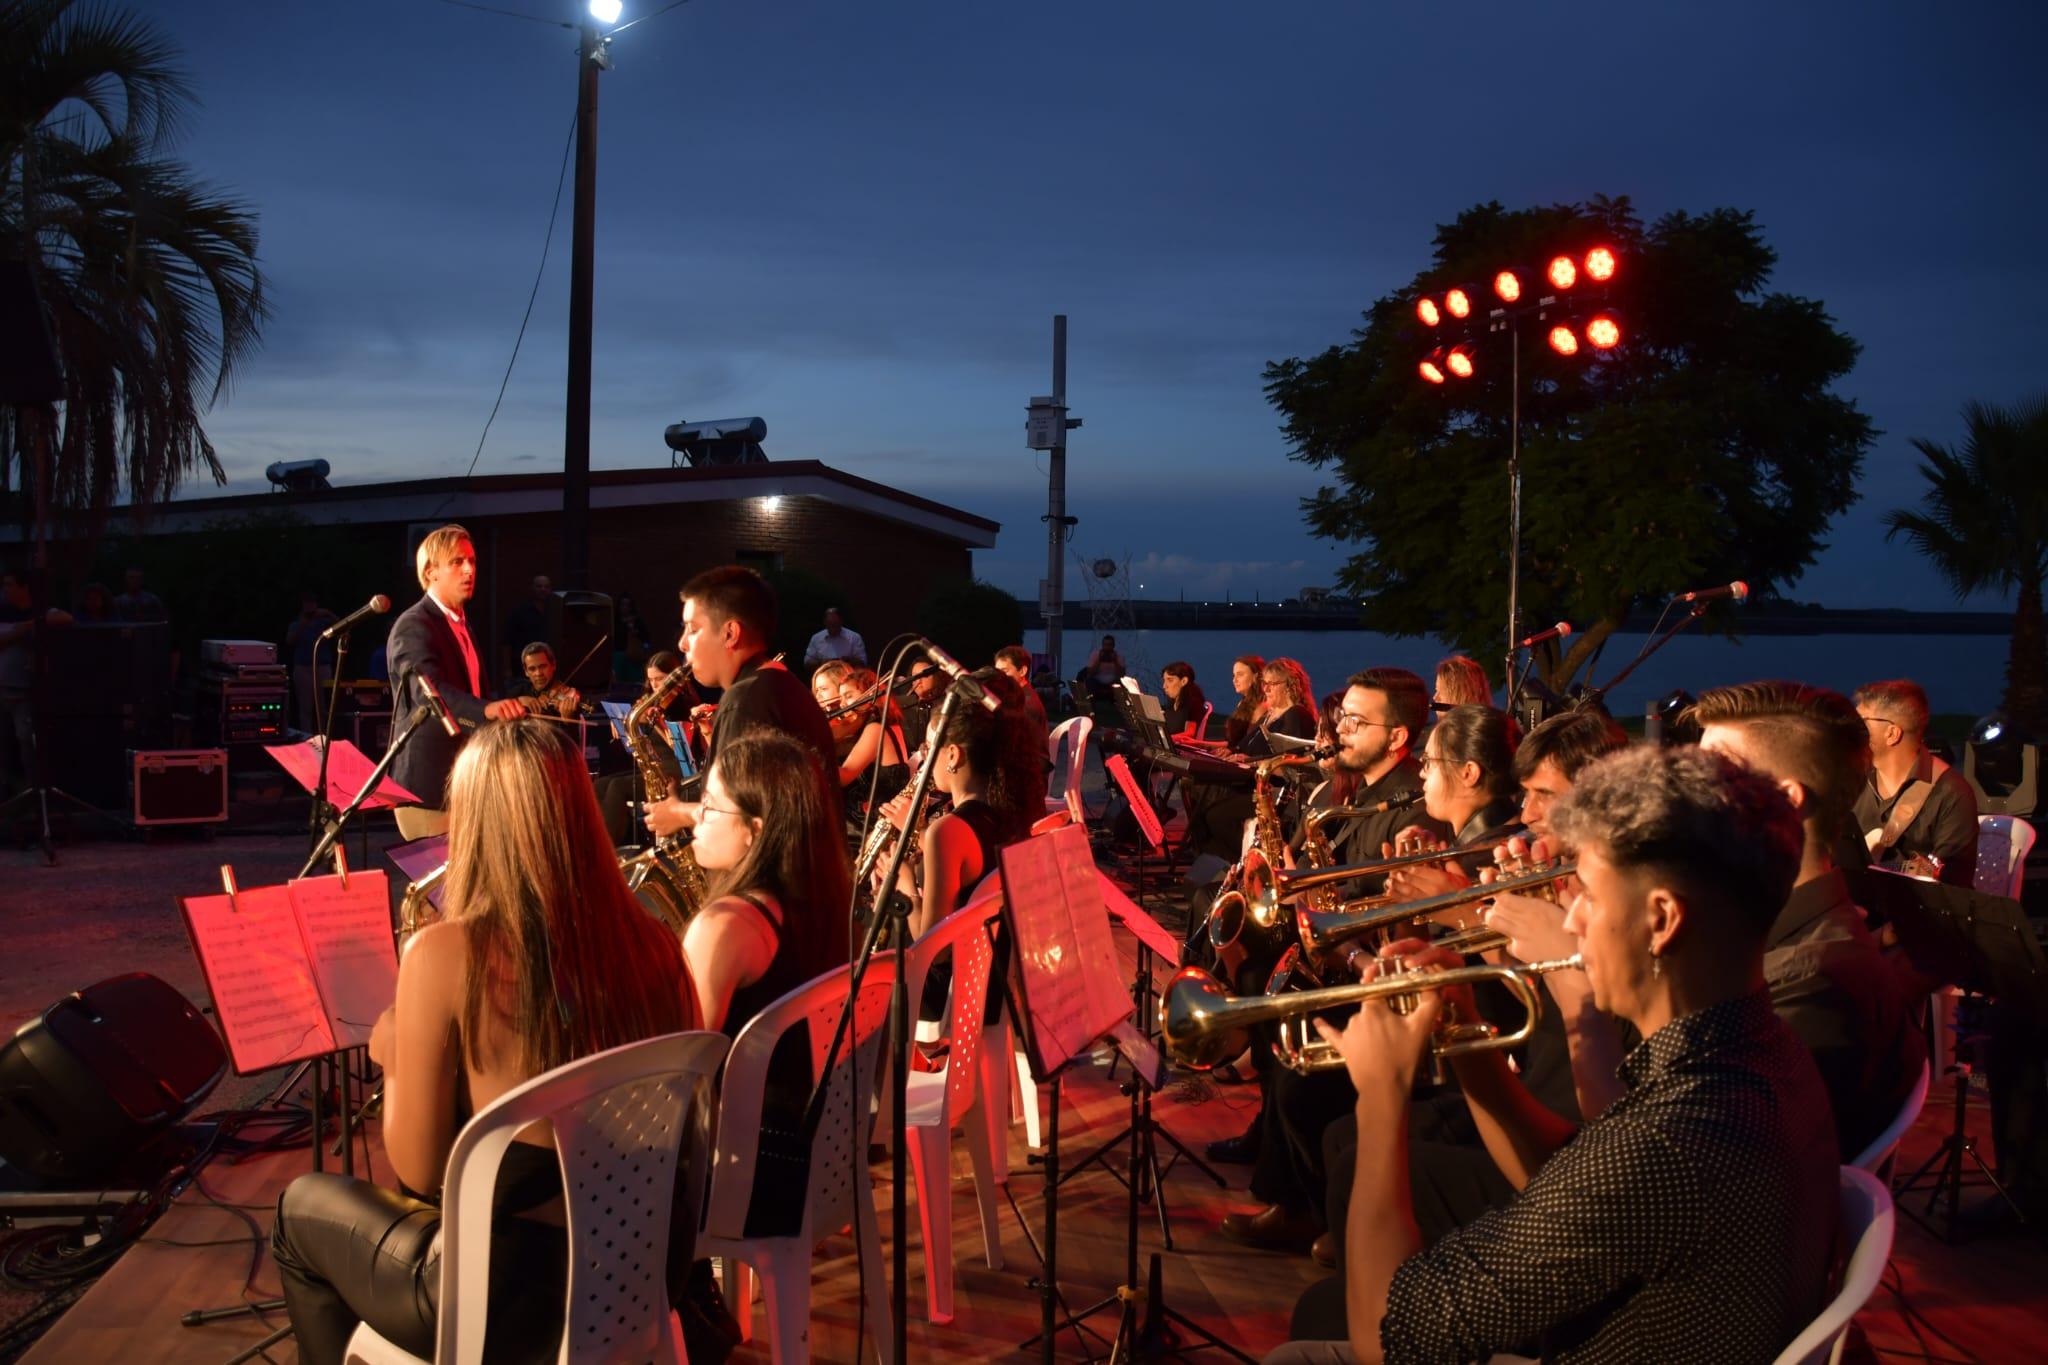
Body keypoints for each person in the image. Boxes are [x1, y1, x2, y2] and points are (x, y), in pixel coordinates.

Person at [1268, 745, 1838, 1365]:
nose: (1571, 923)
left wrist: (1381, 1098)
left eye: (1588, 895)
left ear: (1661, 919)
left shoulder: (1667, 1141)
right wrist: (1468, 1038)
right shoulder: (1760, 1049)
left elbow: (1384, 1338)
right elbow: (1567, 1172)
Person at [269, 718, 700, 1365]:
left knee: (298, 1211)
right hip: (642, 1269)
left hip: (505, 1301)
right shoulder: (655, 944)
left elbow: (417, 1171)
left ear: (473, 821)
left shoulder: (445, 953)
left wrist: (393, 1053)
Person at [1686, 681, 1928, 1159]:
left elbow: (1684, 1170)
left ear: (1784, 800)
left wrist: (1580, 1000)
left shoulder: (1818, 985)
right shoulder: (1755, 935)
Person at [682, 731, 853, 1236]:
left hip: (748, 1177)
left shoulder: (726, 927)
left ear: (754, 832)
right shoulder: (823, 903)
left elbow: (678, 1080)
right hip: (816, 1158)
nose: (696, 815)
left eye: (711, 807)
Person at [644, 566, 837, 843]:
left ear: (730, 633)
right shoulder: (780, 686)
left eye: (693, 629)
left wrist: (680, 812)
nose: (682, 643)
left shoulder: (746, 700)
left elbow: (742, 818)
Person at [386, 526, 529, 839]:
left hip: (465, 781)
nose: (469, 569)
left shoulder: (461, 625)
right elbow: (429, 692)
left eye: (472, 561)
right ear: (430, 571)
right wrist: (487, 709)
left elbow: (473, 692)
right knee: (442, 885)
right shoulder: (414, 625)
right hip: (430, 786)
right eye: (456, 562)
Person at [1852, 678, 1978, 886]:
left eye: (1861, 723)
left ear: (1892, 733)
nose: (1852, 731)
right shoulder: (1853, 780)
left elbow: (1954, 889)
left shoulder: (1952, 793)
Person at [0, 569, 72, 806]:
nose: (5, 589)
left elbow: (65, 618)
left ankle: (32, 794)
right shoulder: (4, 611)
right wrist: (21, 631)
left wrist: (32, 624)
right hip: (2, 688)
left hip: (23, 692)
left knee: (26, 742)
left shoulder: (38, 611)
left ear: (24, 587)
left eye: (10, 584)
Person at [835, 666, 912, 818]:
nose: (842, 704)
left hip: (877, 817)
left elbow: (843, 777)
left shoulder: (876, 729)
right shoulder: (888, 723)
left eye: (848, 696)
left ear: (870, 694)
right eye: (841, 698)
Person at [285, 592, 341, 733]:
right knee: (305, 707)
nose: (310, 606)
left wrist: (328, 614)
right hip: (303, 668)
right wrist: (304, 623)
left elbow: (341, 626)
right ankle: (307, 736)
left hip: (322, 667)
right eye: (307, 603)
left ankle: (324, 736)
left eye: (312, 603)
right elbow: (290, 641)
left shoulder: (324, 624)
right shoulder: (296, 624)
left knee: (323, 706)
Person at [501, 574, 551, 689]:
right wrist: (507, 670)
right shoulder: (519, 612)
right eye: (539, 586)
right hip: (522, 671)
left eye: (546, 587)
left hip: (547, 671)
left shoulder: (554, 612)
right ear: (532, 588)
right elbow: (507, 642)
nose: (543, 590)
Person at [511, 642, 584, 719]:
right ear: (526, 671)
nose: (538, 673)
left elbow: (576, 729)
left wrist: (567, 721)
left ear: (553, 665)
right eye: (532, 669)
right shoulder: (519, 691)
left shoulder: (568, 696)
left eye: (543, 666)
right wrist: (518, 701)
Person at [993, 644, 1049, 737]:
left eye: (1005, 671)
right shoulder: (1015, 696)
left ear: (1022, 671)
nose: (999, 676)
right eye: (997, 672)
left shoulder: (1027, 703)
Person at [1221, 654, 1267, 750]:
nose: (1234, 680)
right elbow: (1230, 744)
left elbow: (1249, 745)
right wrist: (1200, 743)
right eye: (1234, 675)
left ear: (1255, 676)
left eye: (1240, 674)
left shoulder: (1263, 705)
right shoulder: (1242, 703)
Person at [802, 606, 867, 668]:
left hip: (849, 676)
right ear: (825, 622)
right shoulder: (816, 638)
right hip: (824, 676)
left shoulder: (854, 637)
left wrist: (848, 661)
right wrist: (822, 663)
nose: (833, 627)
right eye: (830, 624)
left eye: (835, 623)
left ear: (841, 622)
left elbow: (863, 662)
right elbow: (807, 663)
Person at [1160, 661, 1208, 739]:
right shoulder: (1171, 705)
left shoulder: (1193, 704)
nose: (1164, 686)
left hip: (1180, 749)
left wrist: (1167, 739)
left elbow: (1189, 733)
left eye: (1170, 680)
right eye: (1164, 680)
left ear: (1184, 681)